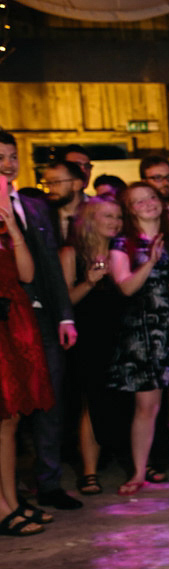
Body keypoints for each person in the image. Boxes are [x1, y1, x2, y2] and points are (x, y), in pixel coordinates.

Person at [107, 183, 169, 494]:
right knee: (146, 407)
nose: (148, 203)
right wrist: (150, 260)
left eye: (151, 197)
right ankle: (138, 472)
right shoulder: (121, 242)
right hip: (142, 331)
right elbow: (125, 287)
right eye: (139, 201)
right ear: (130, 209)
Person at [1, 130, 81, 512]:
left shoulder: (34, 206)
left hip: (43, 318)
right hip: (6, 320)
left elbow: (49, 266)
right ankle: (10, 492)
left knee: (50, 402)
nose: (8, 163)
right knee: (8, 410)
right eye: (0, 156)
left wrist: (65, 316)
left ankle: (48, 483)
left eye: (13, 156)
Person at [61, 197, 128, 495]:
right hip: (89, 335)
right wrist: (88, 282)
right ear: (90, 219)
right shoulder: (70, 253)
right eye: (109, 216)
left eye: (118, 216)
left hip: (122, 332)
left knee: (124, 399)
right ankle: (89, 472)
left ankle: (135, 462)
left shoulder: (121, 252)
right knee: (93, 400)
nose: (116, 222)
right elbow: (64, 305)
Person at [0, 187, 56, 535]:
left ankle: (11, 500)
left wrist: (14, 231)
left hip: (12, 323)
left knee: (10, 420)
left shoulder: (5, 230)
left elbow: (27, 275)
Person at [40, 160, 88, 246]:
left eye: (56, 182)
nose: (50, 188)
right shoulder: (42, 216)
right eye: (48, 183)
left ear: (76, 184)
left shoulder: (98, 211)